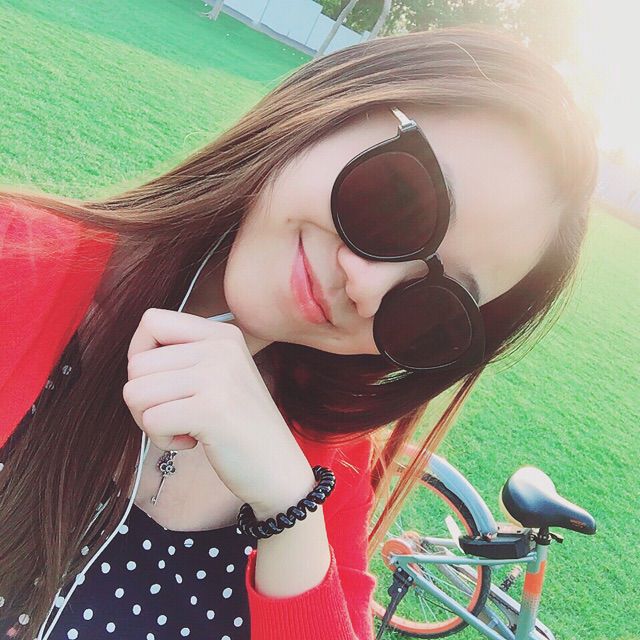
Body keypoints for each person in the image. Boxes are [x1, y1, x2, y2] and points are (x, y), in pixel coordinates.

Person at [0, 25, 597, 640]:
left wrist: (292, 511)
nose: (369, 286)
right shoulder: (12, 265)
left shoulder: (331, 461)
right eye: (402, 201)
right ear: (334, 105)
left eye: (433, 305)